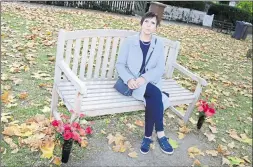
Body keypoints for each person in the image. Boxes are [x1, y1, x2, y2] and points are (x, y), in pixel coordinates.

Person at [115, 12, 173, 155]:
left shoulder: (158, 43)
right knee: (156, 96)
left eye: (153, 23)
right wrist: (129, 79)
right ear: (141, 23)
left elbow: (160, 68)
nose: (149, 25)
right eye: (146, 21)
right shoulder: (130, 41)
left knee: (153, 95)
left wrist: (145, 78)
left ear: (156, 28)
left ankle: (148, 137)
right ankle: (160, 135)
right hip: (132, 83)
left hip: (150, 81)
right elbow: (120, 64)